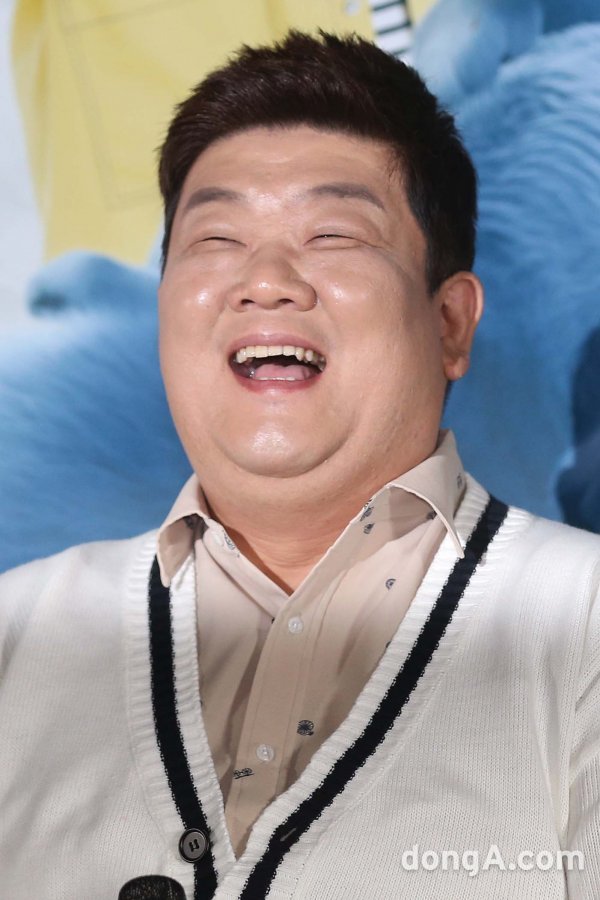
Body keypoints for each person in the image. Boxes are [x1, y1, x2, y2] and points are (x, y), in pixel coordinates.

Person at [0, 30, 599, 900]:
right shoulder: (20, 634)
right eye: (216, 238)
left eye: (334, 234)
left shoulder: (577, 626)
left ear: (450, 322)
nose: (267, 279)